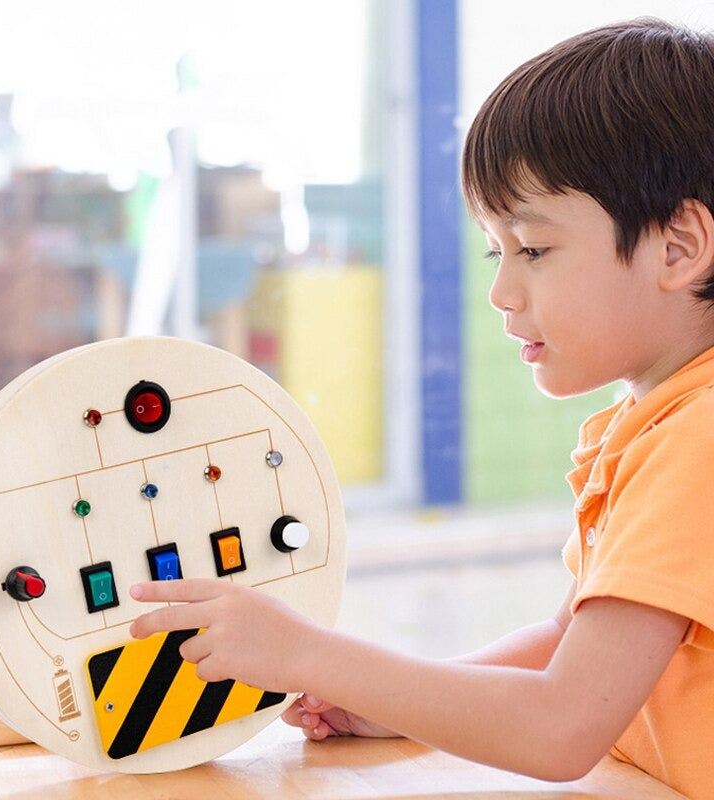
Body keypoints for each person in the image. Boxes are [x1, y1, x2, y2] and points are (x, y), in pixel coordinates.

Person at [129, 18, 714, 798]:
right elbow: (569, 642)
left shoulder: (698, 438)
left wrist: (310, 655)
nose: (501, 294)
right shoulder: (658, 422)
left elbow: (561, 727)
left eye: (533, 250)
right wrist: (395, 698)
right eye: (493, 250)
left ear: (679, 247)